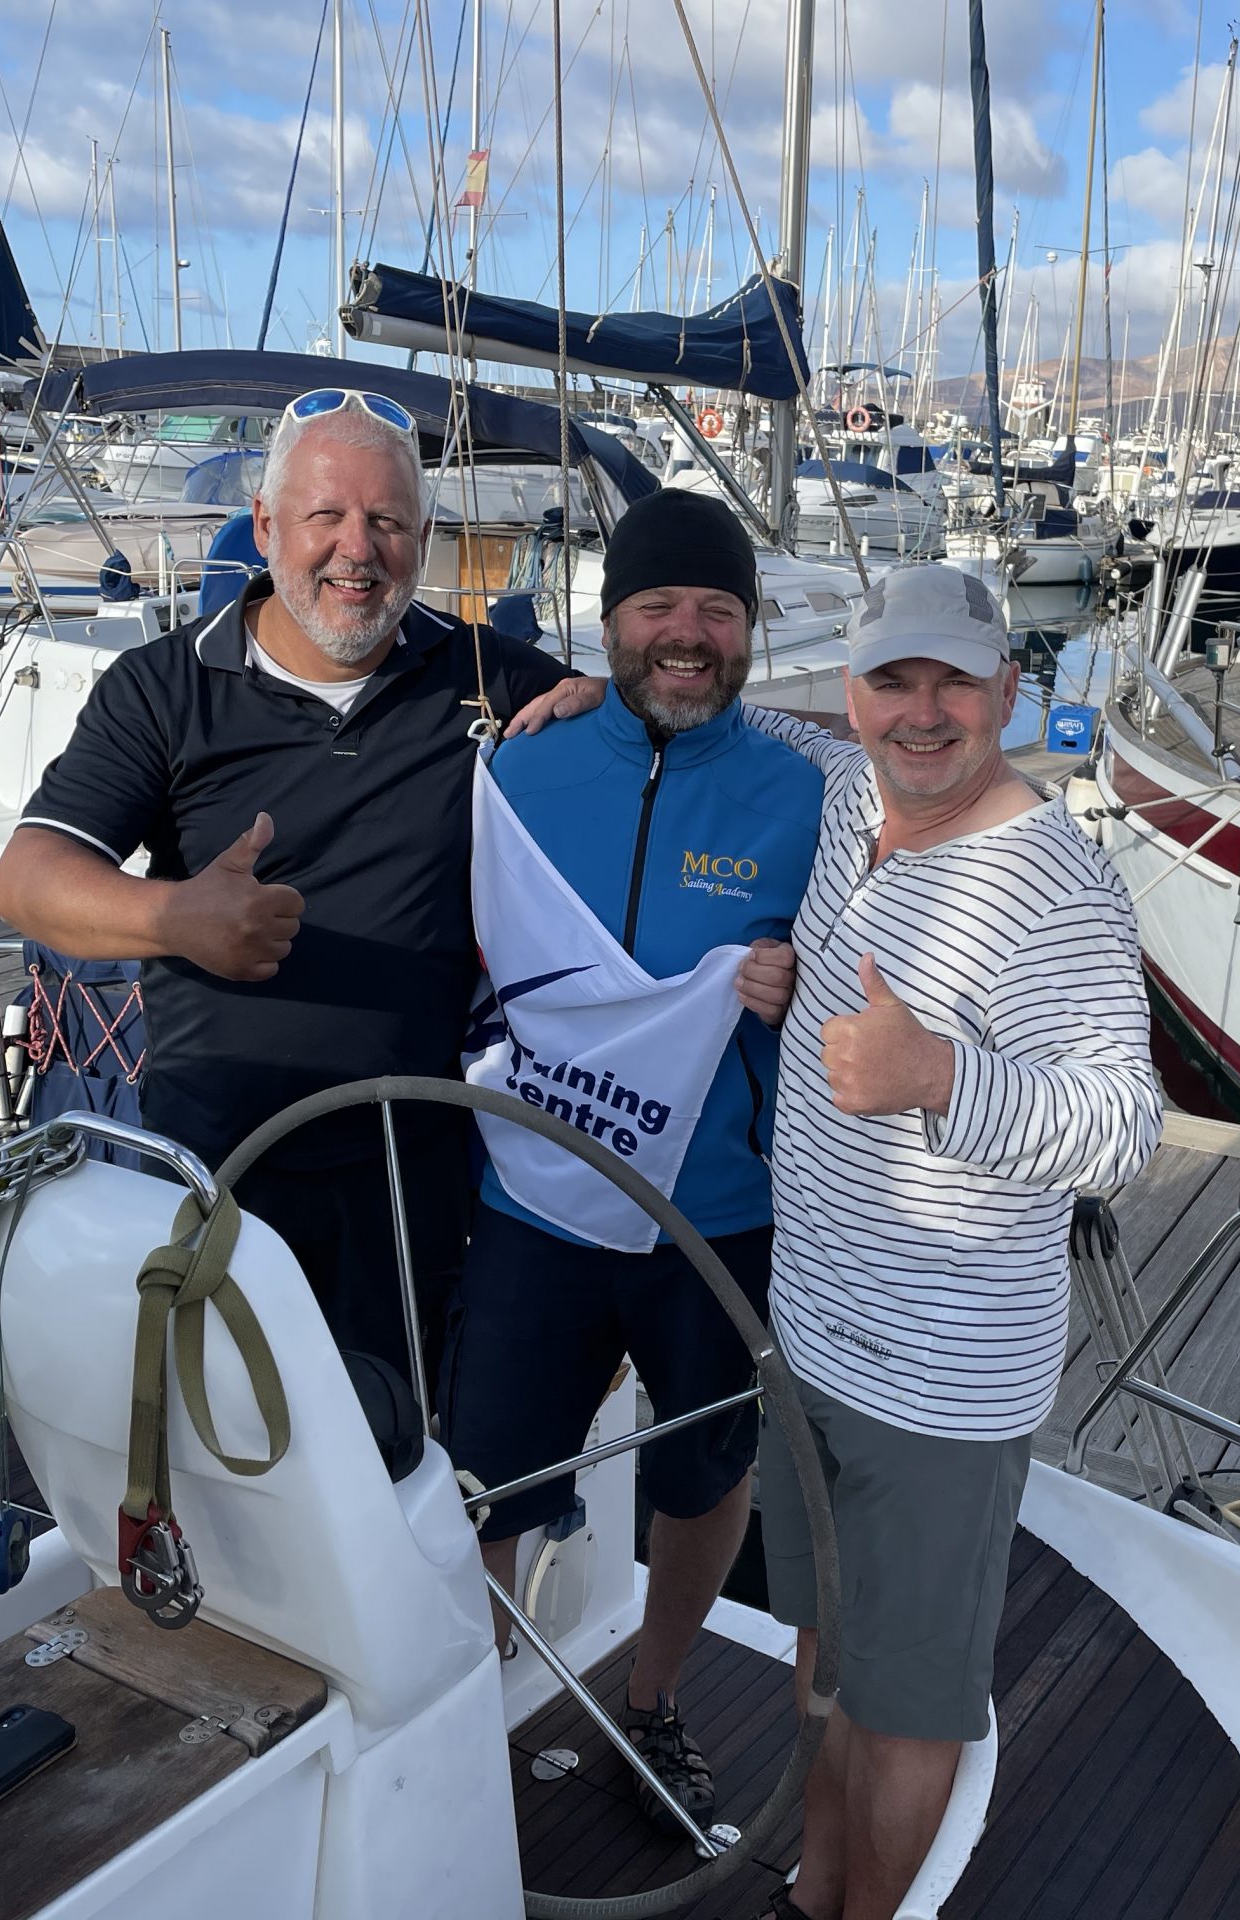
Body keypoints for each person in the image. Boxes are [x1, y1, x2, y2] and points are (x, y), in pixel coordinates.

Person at [0, 388, 574, 1385]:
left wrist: (601, 706)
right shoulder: (162, 688)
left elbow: (657, 734)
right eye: (326, 516)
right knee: (207, 1429)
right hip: (214, 1158)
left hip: (410, 1168)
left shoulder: (493, 676)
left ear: (422, 538)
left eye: (388, 521)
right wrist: (176, 918)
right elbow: (28, 878)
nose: (358, 549)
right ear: (265, 527)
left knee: (386, 1439)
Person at [746, 563, 1162, 1920]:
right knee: (824, 1658)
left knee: (907, 1707)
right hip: (810, 1335)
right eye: (892, 681)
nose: (920, 714)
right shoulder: (850, 791)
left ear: (1010, 694)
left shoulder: (1055, 889)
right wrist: (578, 691)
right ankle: (813, 1892)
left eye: (954, 685)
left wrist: (937, 1076)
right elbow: (765, 721)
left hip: (935, 1386)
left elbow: (1122, 1128)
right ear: (854, 689)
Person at [448, 488, 824, 1827]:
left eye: (717, 609)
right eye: (658, 604)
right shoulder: (519, 772)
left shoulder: (804, 796)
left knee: (703, 1475)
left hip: (715, 1220)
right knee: (489, 1477)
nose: (687, 633)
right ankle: (463, 1712)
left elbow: (865, 974)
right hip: (533, 1203)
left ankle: (653, 1694)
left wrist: (799, 985)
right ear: (610, 623)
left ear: (748, 631)